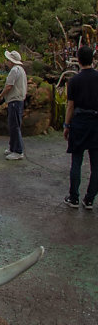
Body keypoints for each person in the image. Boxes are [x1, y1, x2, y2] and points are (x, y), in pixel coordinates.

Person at [63, 46, 98, 209]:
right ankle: (90, 199)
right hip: (96, 123)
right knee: (95, 164)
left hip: (79, 123)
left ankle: (74, 197)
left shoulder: (74, 81)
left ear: (78, 59)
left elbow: (70, 106)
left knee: (76, 161)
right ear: (92, 59)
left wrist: (66, 125)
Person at [0, 50, 27, 160]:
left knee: (14, 125)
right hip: (18, 100)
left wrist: (0, 97)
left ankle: (18, 151)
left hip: (15, 100)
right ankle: (13, 147)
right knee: (13, 124)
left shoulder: (15, 70)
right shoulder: (21, 70)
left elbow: (9, 86)